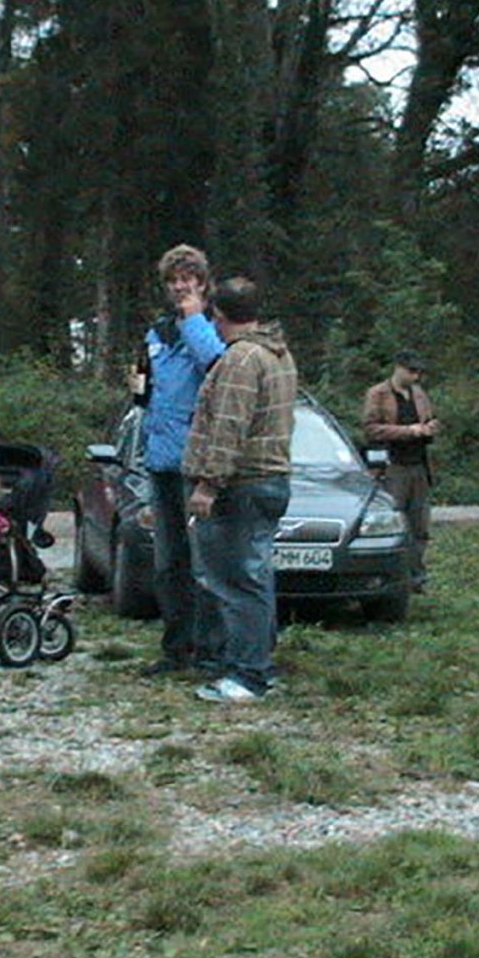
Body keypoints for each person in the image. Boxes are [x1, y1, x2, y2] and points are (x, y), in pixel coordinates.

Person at [184, 275, 298, 702]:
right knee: (256, 579)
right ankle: (260, 665)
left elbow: (228, 428)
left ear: (218, 314)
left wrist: (208, 485)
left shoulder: (240, 360)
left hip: (242, 485)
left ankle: (246, 675)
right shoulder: (278, 354)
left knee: (235, 583)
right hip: (271, 479)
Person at [139, 243, 227, 677]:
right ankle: (177, 650)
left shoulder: (212, 328)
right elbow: (147, 394)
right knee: (167, 565)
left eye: (187, 279)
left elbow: (217, 365)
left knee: (204, 566)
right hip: (160, 461)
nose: (179, 287)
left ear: (203, 284)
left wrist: (194, 318)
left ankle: (212, 654)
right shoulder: (159, 333)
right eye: (173, 280)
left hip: (197, 464)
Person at [362, 349, 438, 591]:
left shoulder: (419, 394)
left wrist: (429, 428)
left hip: (419, 465)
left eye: (418, 372)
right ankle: (391, 575)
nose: (415, 376)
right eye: (411, 371)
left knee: (419, 525)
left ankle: (416, 576)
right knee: (394, 521)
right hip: (392, 466)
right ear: (398, 368)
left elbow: (429, 419)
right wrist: (409, 431)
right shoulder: (378, 394)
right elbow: (371, 429)